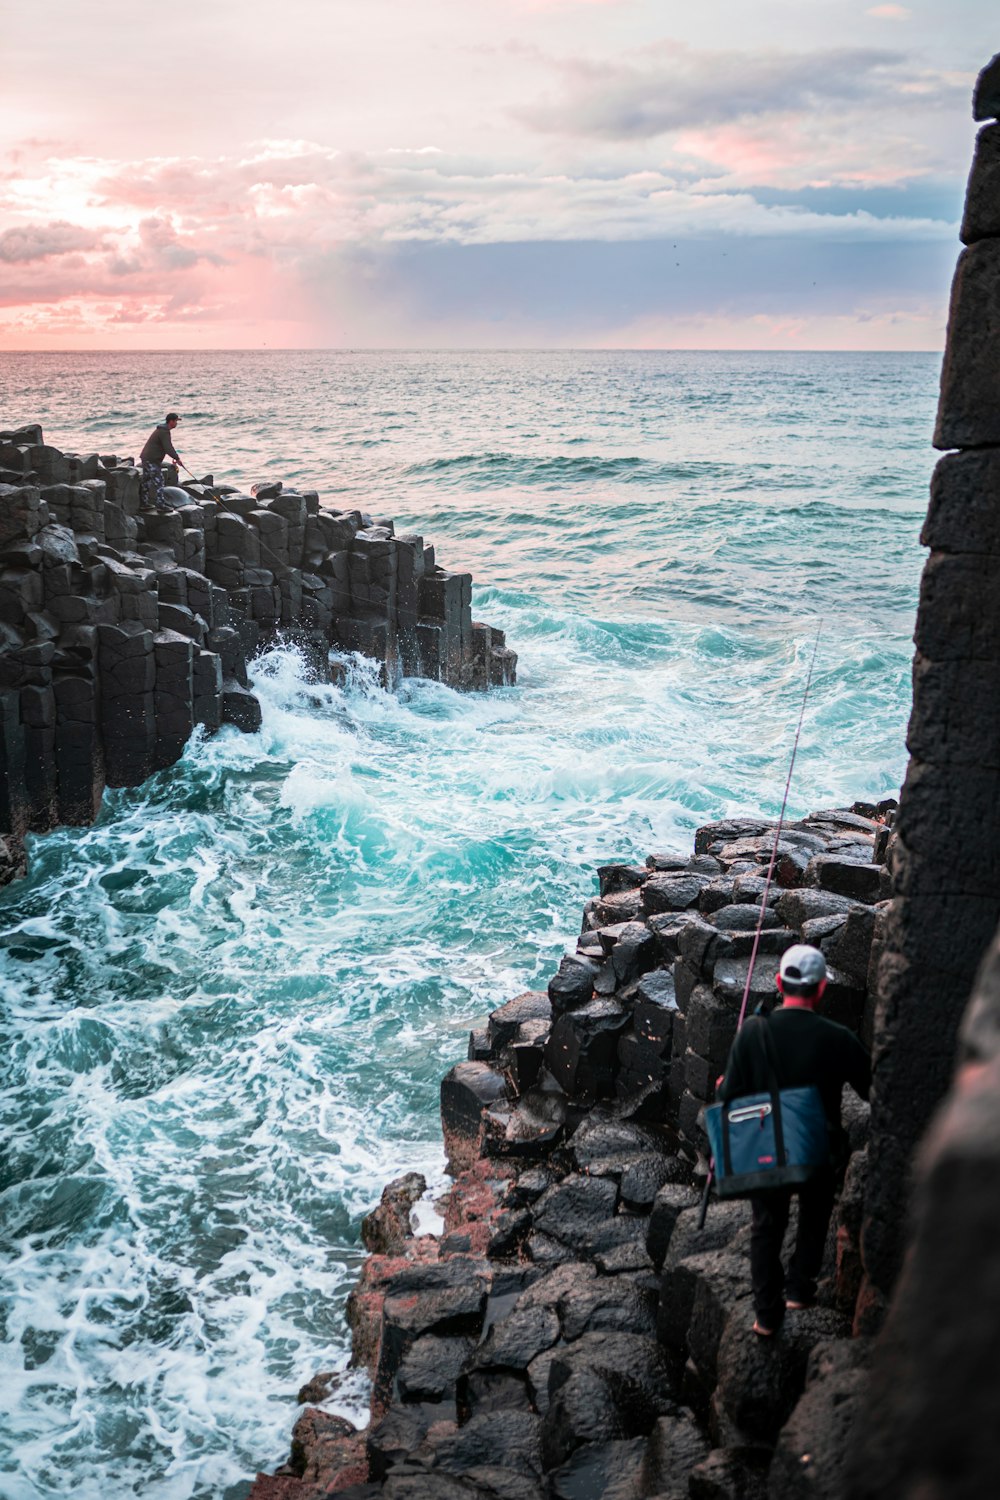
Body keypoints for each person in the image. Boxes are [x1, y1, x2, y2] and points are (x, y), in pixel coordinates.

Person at [718, 943, 870, 1337]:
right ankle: (800, 1288)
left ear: (777, 983)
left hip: (767, 1149)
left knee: (767, 1226)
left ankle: (767, 1316)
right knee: (816, 1213)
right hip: (818, 1150)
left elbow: (728, 1096)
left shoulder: (754, 1031)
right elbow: (872, 1089)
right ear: (821, 989)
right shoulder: (839, 1038)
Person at [139, 412, 182, 511]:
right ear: (171, 421)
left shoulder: (162, 430)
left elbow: (166, 447)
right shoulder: (164, 431)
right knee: (159, 481)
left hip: (147, 458)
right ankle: (160, 505)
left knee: (147, 481)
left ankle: (144, 503)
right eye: (176, 421)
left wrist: (175, 458)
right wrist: (177, 458)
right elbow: (168, 448)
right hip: (151, 460)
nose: (176, 423)